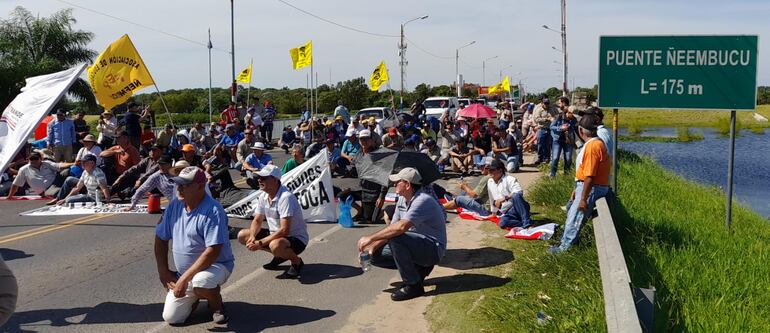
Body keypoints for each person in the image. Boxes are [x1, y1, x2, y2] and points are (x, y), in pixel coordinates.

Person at [155, 166, 235, 325]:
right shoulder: (174, 205)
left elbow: (213, 251)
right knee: (172, 318)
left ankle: (216, 305)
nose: (179, 188)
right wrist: (163, 271)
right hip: (186, 273)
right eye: (178, 184)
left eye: (184, 185)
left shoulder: (213, 210)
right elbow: (160, 238)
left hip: (216, 266)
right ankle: (196, 297)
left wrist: (184, 279)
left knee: (201, 281)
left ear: (200, 186)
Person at [357, 168, 446, 301]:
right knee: (374, 255)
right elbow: (392, 227)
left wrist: (370, 238)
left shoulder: (422, 200)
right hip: (417, 245)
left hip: (432, 249)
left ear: (408, 184)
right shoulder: (402, 200)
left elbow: (400, 228)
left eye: (397, 182)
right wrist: (372, 247)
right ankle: (417, 271)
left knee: (396, 239)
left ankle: (413, 285)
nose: (394, 185)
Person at [549, 114, 612, 254]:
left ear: (581, 131)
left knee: (574, 219)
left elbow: (590, 175)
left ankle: (564, 250)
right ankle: (567, 243)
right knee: (572, 214)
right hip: (587, 186)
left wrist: (583, 198)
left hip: (591, 187)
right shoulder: (597, 143)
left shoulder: (592, 147)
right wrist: (577, 189)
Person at [236, 164, 308, 279]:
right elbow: (257, 220)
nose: (259, 180)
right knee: (243, 235)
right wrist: (253, 237)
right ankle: (280, 255)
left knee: (275, 245)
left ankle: (296, 262)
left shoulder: (286, 197)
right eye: (259, 177)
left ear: (275, 180)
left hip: (296, 239)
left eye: (264, 178)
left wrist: (260, 243)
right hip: (276, 235)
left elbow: (284, 230)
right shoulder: (264, 196)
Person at [486, 159, 532, 229]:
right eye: (488, 170)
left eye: (492, 170)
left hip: (517, 206)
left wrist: (503, 199)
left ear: (500, 170)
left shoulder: (509, 179)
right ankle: (525, 222)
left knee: (516, 196)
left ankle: (527, 224)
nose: (489, 172)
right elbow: (491, 197)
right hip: (507, 212)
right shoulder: (490, 181)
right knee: (503, 224)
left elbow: (519, 191)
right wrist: (493, 213)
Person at [550, 96, 577, 177]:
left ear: (564, 103)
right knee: (555, 158)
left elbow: (575, 125)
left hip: (567, 139)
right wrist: (560, 128)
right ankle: (552, 175)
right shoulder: (558, 115)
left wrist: (570, 122)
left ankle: (566, 175)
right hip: (557, 140)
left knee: (568, 159)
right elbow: (552, 127)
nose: (559, 104)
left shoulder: (571, 115)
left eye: (559, 103)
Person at [533, 96, 558, 165]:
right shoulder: (539, 109)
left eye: (547, 103)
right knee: (540, 144)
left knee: (548, 144)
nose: (546, 105)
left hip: (550, 129)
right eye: (545, 103)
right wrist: (546, 119)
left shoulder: (553, 109)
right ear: (542, 103)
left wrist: (553, 118)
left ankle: (547, 158)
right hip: (541, 128)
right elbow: (536, 119)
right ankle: (540, 158)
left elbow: (557, 116)